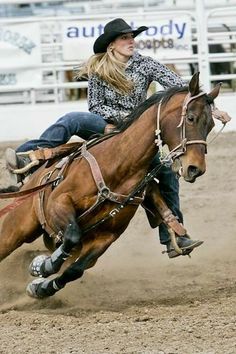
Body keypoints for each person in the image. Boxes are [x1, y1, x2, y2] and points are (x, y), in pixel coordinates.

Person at [5, 18, 204, 258]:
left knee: (167, 176)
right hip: (105, 125)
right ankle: (28, 156)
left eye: (132, 37)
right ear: (112, 45)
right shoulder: (100, 68)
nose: (131, 41)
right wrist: (121, 121)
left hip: (138, 133)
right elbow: (95, 105)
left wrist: (207, 107)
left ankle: (173, 237)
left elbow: (180, 87)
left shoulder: (145, 64)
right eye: (125, 38)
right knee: (73, 119)